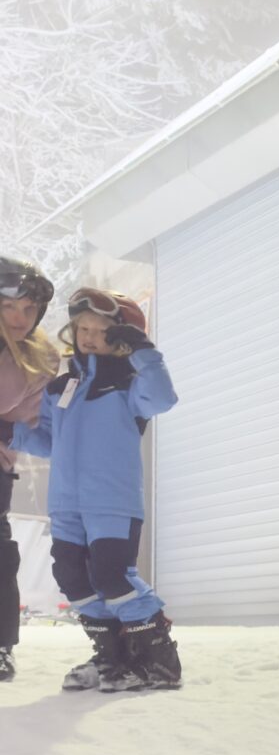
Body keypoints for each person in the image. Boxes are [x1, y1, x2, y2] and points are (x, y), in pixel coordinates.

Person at [23, 288, 180, 692]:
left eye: (102, 331)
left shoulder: (132, 384)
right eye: (83, 328)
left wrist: (144, 351)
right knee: (71, 576)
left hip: (113, 501)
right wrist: (10, 433)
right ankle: (113, 656)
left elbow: (164, 398)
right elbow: (47, 441)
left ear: (122, 337)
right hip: (66, 504)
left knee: (113, 576)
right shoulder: (60, 388)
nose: (90, 337)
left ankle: (158, 659)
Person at [0, 257, 61, 684]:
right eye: (9, 306)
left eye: (29, 309)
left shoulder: (40, 358)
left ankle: (1, 647)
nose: (20, 318)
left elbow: (25, 418)